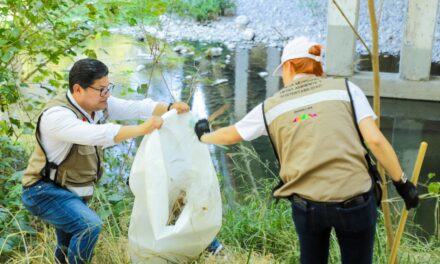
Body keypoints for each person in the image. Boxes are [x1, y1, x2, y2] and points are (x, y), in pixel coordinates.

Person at [194, 36, 419, 264]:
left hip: (308, 206)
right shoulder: (346, 90)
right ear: (318, 66)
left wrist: (204, 135)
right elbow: (375, 141)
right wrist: (402, 183)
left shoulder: (271, 107)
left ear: (289, 66)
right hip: (354, 202)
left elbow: (233, 134)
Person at [21, 58, 190, 264]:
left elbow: (135, 107)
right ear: (78, 90)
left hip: (69, 191)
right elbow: (97, 134)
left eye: (108, 87)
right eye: (101, 89)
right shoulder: (56, 116)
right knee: (88, 226)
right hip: (44, 191)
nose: (107, 94)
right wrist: (141, 129)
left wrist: (170, 107)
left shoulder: (98, 105)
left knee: (65, 249)